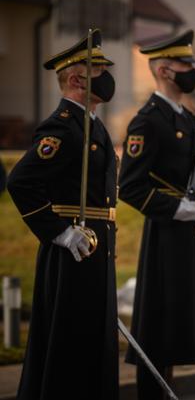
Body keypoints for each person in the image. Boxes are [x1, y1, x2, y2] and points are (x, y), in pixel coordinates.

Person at [7, 30, 119, 399]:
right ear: (75, 78)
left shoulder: (92, 124)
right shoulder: (63, 126)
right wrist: (59, 231)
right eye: (98, 70)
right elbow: (21, 182)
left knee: (91, 343)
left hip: (94, 250)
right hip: (73, 249)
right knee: (69, 343)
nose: (107, 77)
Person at [118, 30, 195, 399]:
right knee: (160, 330)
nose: (190, 71)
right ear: (164, 71)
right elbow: (129, 185)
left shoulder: (188, 117)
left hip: (192, 231)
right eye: (183, 64)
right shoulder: (148, 121)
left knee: (181, 325)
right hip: (166, 233)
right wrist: (175, 208)